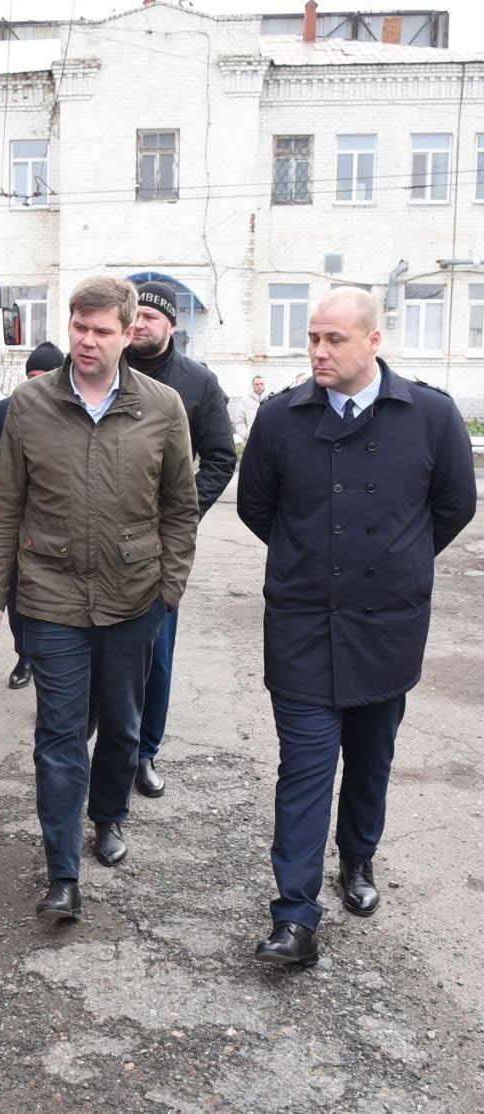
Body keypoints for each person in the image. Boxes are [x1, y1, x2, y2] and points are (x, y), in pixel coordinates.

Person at [237, 287, 476, 967]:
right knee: (305, 768)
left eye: (334, 339)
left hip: (387, 627)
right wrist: (313, 561)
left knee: (371, 761)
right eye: (312, 338)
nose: (318, 351)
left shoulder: (429, 415)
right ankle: (295, 917)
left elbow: (454, 506)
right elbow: (258, 507)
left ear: (374, 342)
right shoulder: (281, 419)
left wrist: (396, 560)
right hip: (303, 624)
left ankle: (359, 861)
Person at [0, 276, 199, 923]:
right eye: (79, 327)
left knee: (123, 727)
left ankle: (109, 816)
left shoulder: (162, 408)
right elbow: (7, 505)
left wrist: (169, 589)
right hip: (50, 597)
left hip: (135, 599)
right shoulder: (30, 405)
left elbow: (180, 509)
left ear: (129, 334)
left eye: (102, 330)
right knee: (60, 733)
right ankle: (62, 874)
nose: (88, 341)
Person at [118, 281, 235, 798]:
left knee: (155, 655)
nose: (140, 323)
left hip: (160, 546)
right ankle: (99, 746)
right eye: (134, 315)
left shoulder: (197, 383)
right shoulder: (102, 370)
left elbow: (221, 457)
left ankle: (144, 753)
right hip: (95, 538)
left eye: (151, 316)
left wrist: (183, 514)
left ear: (172, 325)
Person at [0, 340, 65, 690]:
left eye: (41, 376)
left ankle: (53, 670)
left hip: (56, 527)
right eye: (29, 376)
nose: (34, 384)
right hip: (18, 525)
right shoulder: (8, 409)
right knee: (17, 596)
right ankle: (24, 656)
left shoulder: (71, 413)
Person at [232, 374, 267, 443]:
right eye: (256, 384)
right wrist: (246, 435)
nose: (259, 386)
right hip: (250, 442)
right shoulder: (245, 401)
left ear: (264, 384)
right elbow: (239, 421)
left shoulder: (270, 399)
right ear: (253, 385)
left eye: (261, 384)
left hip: (268, 440)